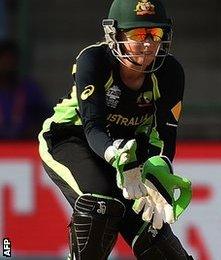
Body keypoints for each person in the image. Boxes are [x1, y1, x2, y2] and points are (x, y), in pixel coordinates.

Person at [37, 0, 193, 259]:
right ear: (114, 35)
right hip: (71, 139)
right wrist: (115, 155)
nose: (147, 44)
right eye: (137, 34)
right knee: (102, 205)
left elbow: (165, 134)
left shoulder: (170, 72)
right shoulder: (94, 60)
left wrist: (160, 167)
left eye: (155, 34)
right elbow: (93, 126)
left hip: (129, 150)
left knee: (153, 233)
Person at [0, 40, 48, 139]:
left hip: (26, 146)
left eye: (11, 59)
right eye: (4, 60)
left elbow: (46, 117)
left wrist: (36, 129)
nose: (8, 64)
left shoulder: (30, 89)